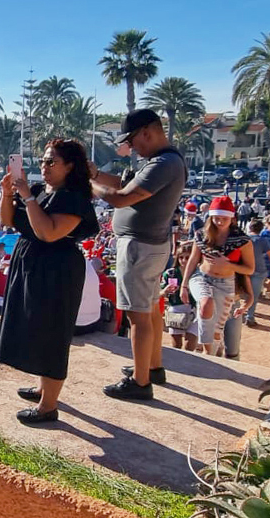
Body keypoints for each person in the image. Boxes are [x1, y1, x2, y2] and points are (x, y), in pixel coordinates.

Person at [0, 139, 99, 424]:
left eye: (51, 161)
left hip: (57, 268)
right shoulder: (41, 191)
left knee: (53, 333)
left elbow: (49, 232)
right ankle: (43, 389)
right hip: (32, 262)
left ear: (70, 166)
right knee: (36, 327)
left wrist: (28, 196)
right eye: (42, 161)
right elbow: (9, 221)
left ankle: (48, 406)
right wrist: (8, 195)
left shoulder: (73, 198)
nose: (44, 167)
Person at [91, 109, 186, 401]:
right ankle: (152, 366)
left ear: (147, 132)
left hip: (140, 246)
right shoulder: (161, 161)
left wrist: (90, 184)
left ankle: (141, 382)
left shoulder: (164, 163)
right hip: (149, 244)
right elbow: (123, 185)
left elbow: (121, 198)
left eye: (132, 140)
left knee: (137, 315)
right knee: (150, 308)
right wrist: (94, 173)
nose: (131, 147)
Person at [181, 196, 255, 357]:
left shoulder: (242, 240)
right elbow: (193, 260)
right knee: (206, 303)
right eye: (216, 218)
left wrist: (227, 264)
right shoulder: (201, 235)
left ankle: (213, 353)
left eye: (224, 218)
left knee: (216, 330)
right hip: (201, 277)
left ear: (232, 218)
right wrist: (184, 285)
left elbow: (249, 269)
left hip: (225, 283)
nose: (220, 222)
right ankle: (207, 354)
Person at [163, 243, 197, 350]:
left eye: (187, 257)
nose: (184, 260)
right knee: (176, 346)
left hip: (194, 310)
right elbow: (159, 292)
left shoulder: (199, 273)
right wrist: (165, 290)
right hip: (176, 310)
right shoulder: (170, 274)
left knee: (190, 346)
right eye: (181, 257)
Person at [246, 219, 270, 327]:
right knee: (254, 296)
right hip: (259, 270)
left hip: (243, 270)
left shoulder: (244, 239)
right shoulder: (262, 240)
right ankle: (250, 317)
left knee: (239, 295)